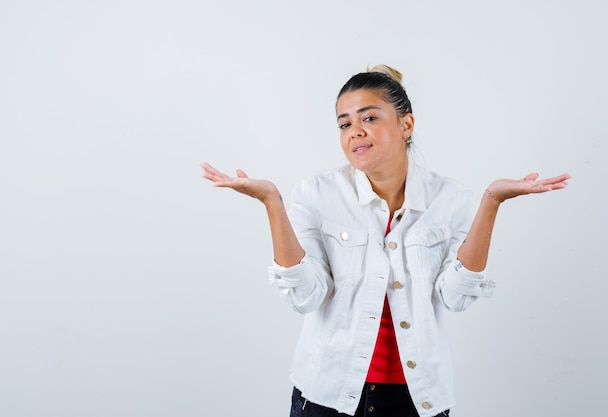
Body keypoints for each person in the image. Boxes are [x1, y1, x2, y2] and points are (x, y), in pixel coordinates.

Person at [200, 65, 570, 417]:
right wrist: (272, 203)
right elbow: (305, 296)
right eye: (345, 124)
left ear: (406, 124)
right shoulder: (316, 194)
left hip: (417, 398)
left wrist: (492, 201)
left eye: (369, 117)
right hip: (327, 395)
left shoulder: (451, 198)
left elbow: (455, 297)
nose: (355, 131)